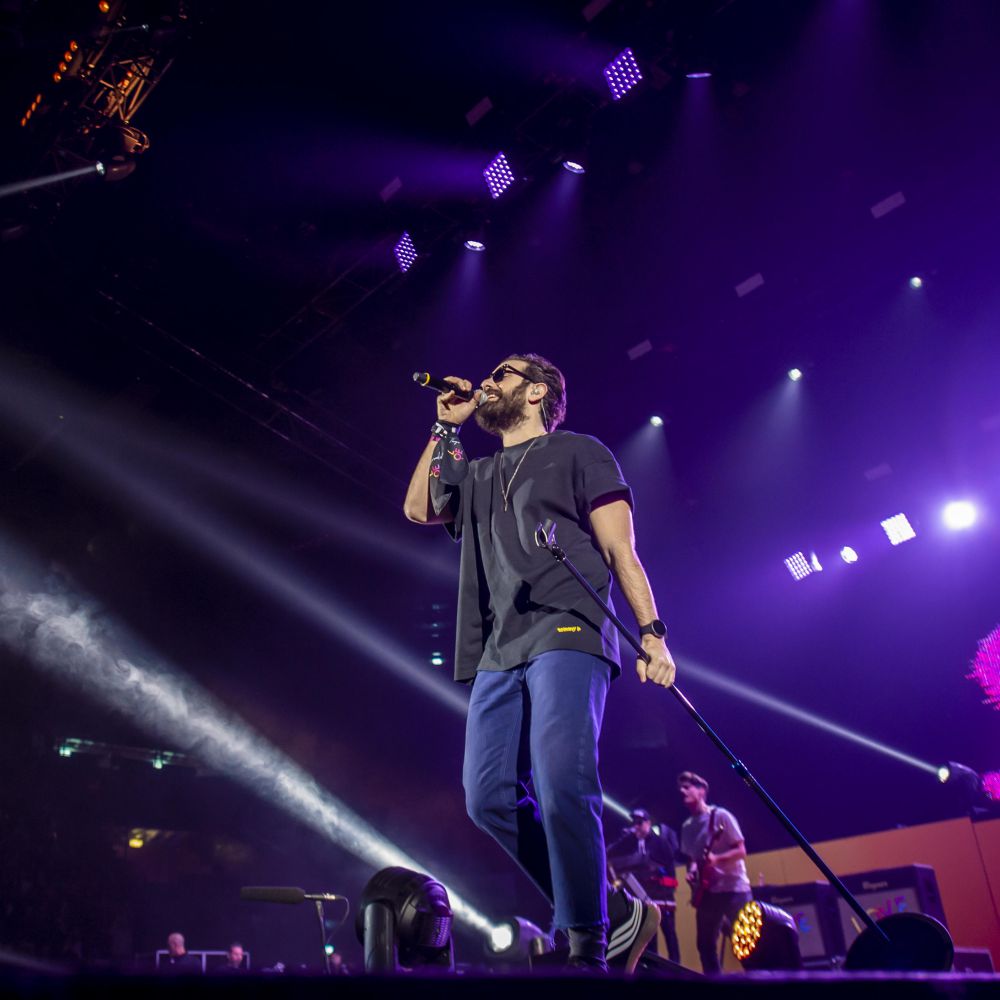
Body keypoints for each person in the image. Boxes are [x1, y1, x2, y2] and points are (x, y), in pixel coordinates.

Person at [404, 354, 677, 973]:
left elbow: (619, 547)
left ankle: (587, 940)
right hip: (498, 649)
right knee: (487, 796)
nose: (487, 381)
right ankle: (611, 908)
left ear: (537, 392)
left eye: (502, 374)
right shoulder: (475, 473)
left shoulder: (580, 451)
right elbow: (419, 509)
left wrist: (652, 634)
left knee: (561, 783)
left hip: (566, 627)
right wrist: (444, 428)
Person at [677, 771, 751, 974]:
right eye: (680, 788)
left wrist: (717, 859)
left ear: (702, 791)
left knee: (747, 943)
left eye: (687, 787)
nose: (682, 791)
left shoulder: (721, 816)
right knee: (705, 945)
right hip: (708, 892)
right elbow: (693, 859)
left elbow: (741, 850)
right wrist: (692, 872)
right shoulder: (687, 827)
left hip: (734, 889)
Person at [607, 808, 681, 963]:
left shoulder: (661, 842)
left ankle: (677, 971)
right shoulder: (631, 842)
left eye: (640, 823)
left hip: (663, 899)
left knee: (669, 935)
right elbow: (612, 854)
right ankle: (652, 974)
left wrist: (666, 886)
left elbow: (670, 870)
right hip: (644, 899)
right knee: (648, 938)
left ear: (649, 823)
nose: (636, 827)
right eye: (634, 823)